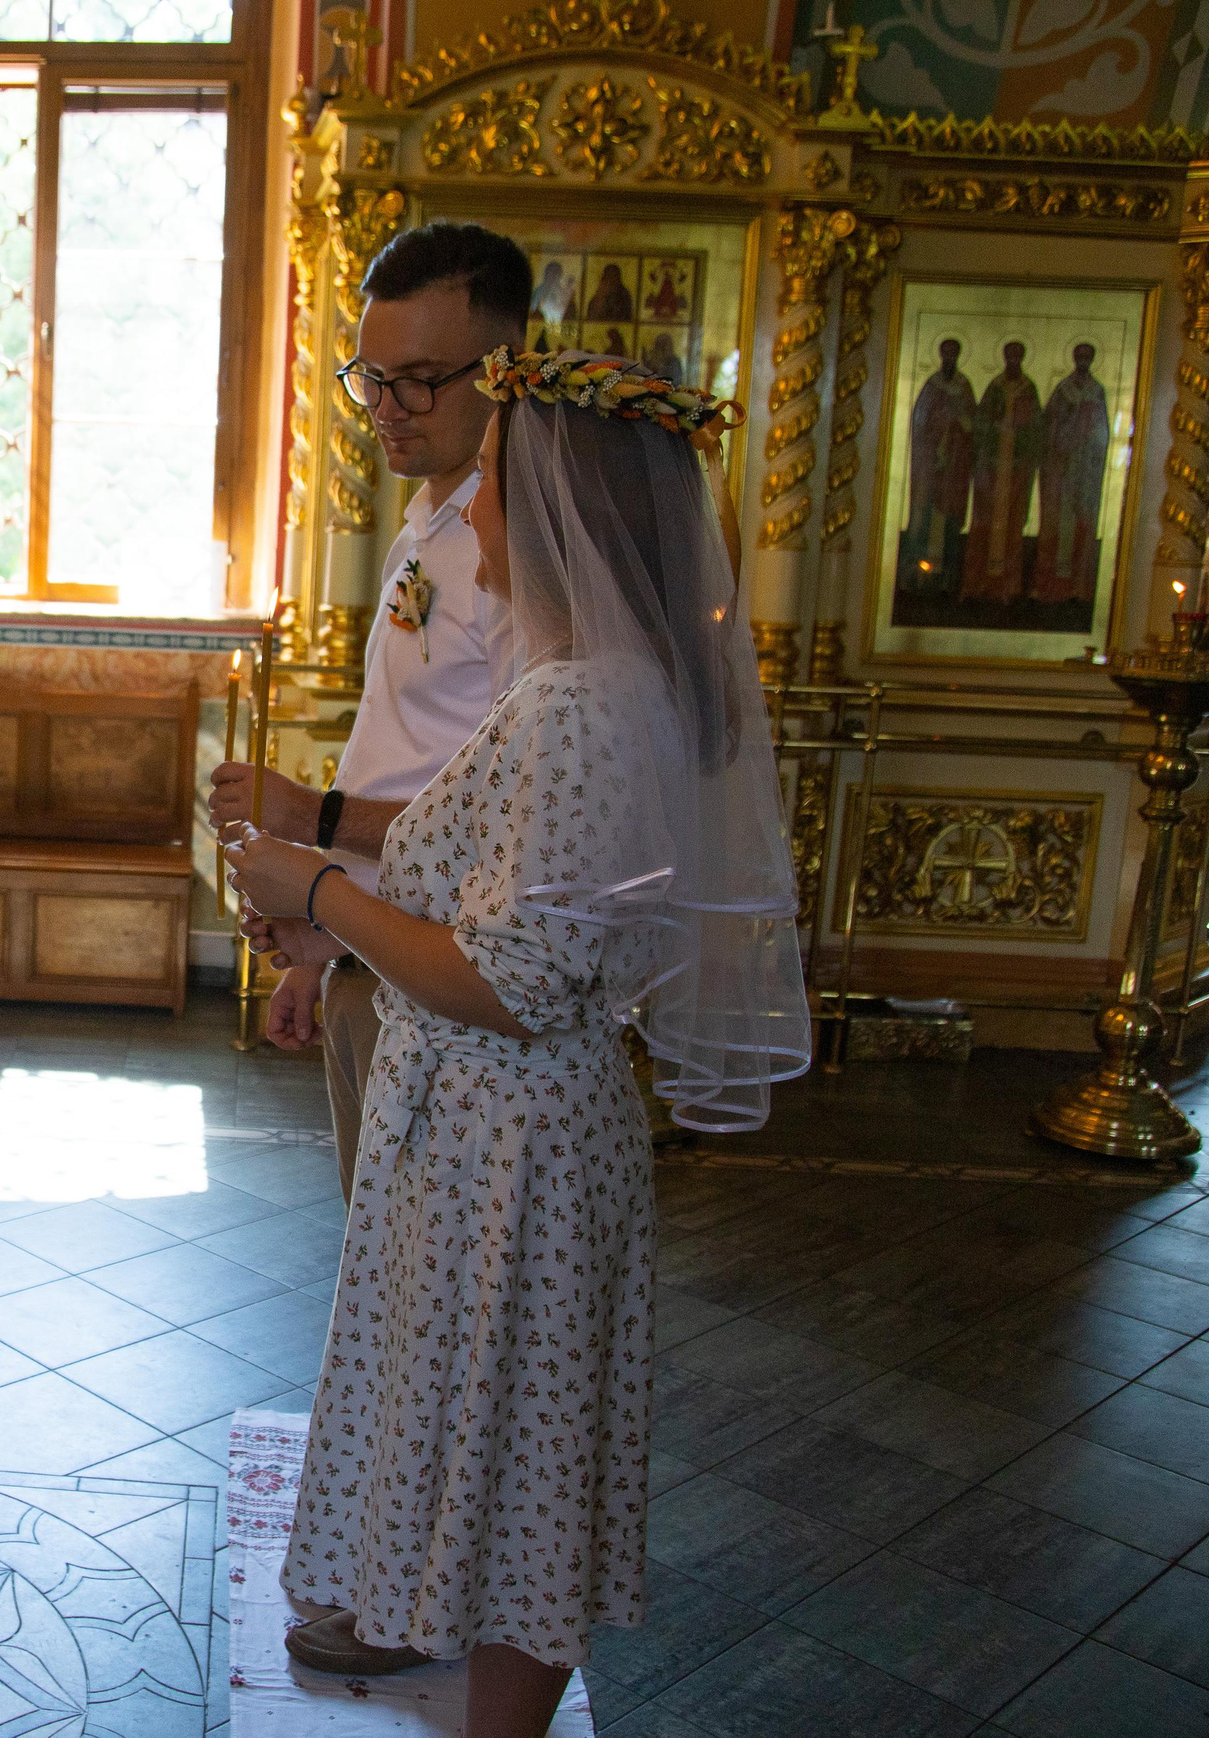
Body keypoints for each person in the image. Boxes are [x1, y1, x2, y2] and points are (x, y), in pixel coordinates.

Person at [221, 348, 809, 1738]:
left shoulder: (575, 704)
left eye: (499, 477)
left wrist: (313, 887)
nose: (473, 503)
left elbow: (512, 976)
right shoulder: (615, 684)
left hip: (510, 1150)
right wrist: (339, 922)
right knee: (502, 1456)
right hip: (513, 1135)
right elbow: (510, 902)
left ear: (555, 507)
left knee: (516, 1465)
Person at [208, 221, 525, 1199]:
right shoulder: (433, 517)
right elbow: (408, 754)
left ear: (507, 369)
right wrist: (322, 945)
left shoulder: (520, 555)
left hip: (454, 1003)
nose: (386, 409)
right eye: (371, 378)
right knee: (380, 1293)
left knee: (425, 1316)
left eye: (420, 378)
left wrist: (310, 825)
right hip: (372, 961)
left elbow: (513, 819)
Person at [965, 338, 1043, 605]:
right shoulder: (995, 388)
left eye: (1017, 356)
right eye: (1009, 356)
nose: (1013, 361)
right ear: (1004, 357)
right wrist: (995, 428)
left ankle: (1007, 586)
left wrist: (1020, 437)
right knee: (986, 521)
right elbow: (981, 421)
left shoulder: (1028, 390)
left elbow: (1035, 429)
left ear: (1022, 359)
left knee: (1011, 523)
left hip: (1016, 468)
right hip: (993, 466)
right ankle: (978, 583)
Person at [1035, 341, 1111, 606]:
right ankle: (1051, 585)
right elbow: (1048, 427)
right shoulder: (1063, 390)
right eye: (1079, 356)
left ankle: (1078, 587)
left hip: (1085, 470)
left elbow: (1102, 434)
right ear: (1073, 358)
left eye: (1087, 357)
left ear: (1091, 360)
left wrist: (1086, 440)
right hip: (1062, 468)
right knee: (1058, 522)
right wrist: (1063, 427)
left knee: (1081, 523)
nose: (1082, 361)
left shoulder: (1096, 392)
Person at [905, 337, 977, 588]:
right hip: (930, 465)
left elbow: (972, 427)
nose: (949, 358)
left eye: (953, 354)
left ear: (957, 356)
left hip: (954, 468)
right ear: (940, 355)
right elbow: (920, 422)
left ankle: (946, 575)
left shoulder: (964, 387)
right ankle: (919, 571)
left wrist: (958, 420)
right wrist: (937, 429)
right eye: (945, 353)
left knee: (949, 518)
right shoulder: (932, 386)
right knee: (925, 513)